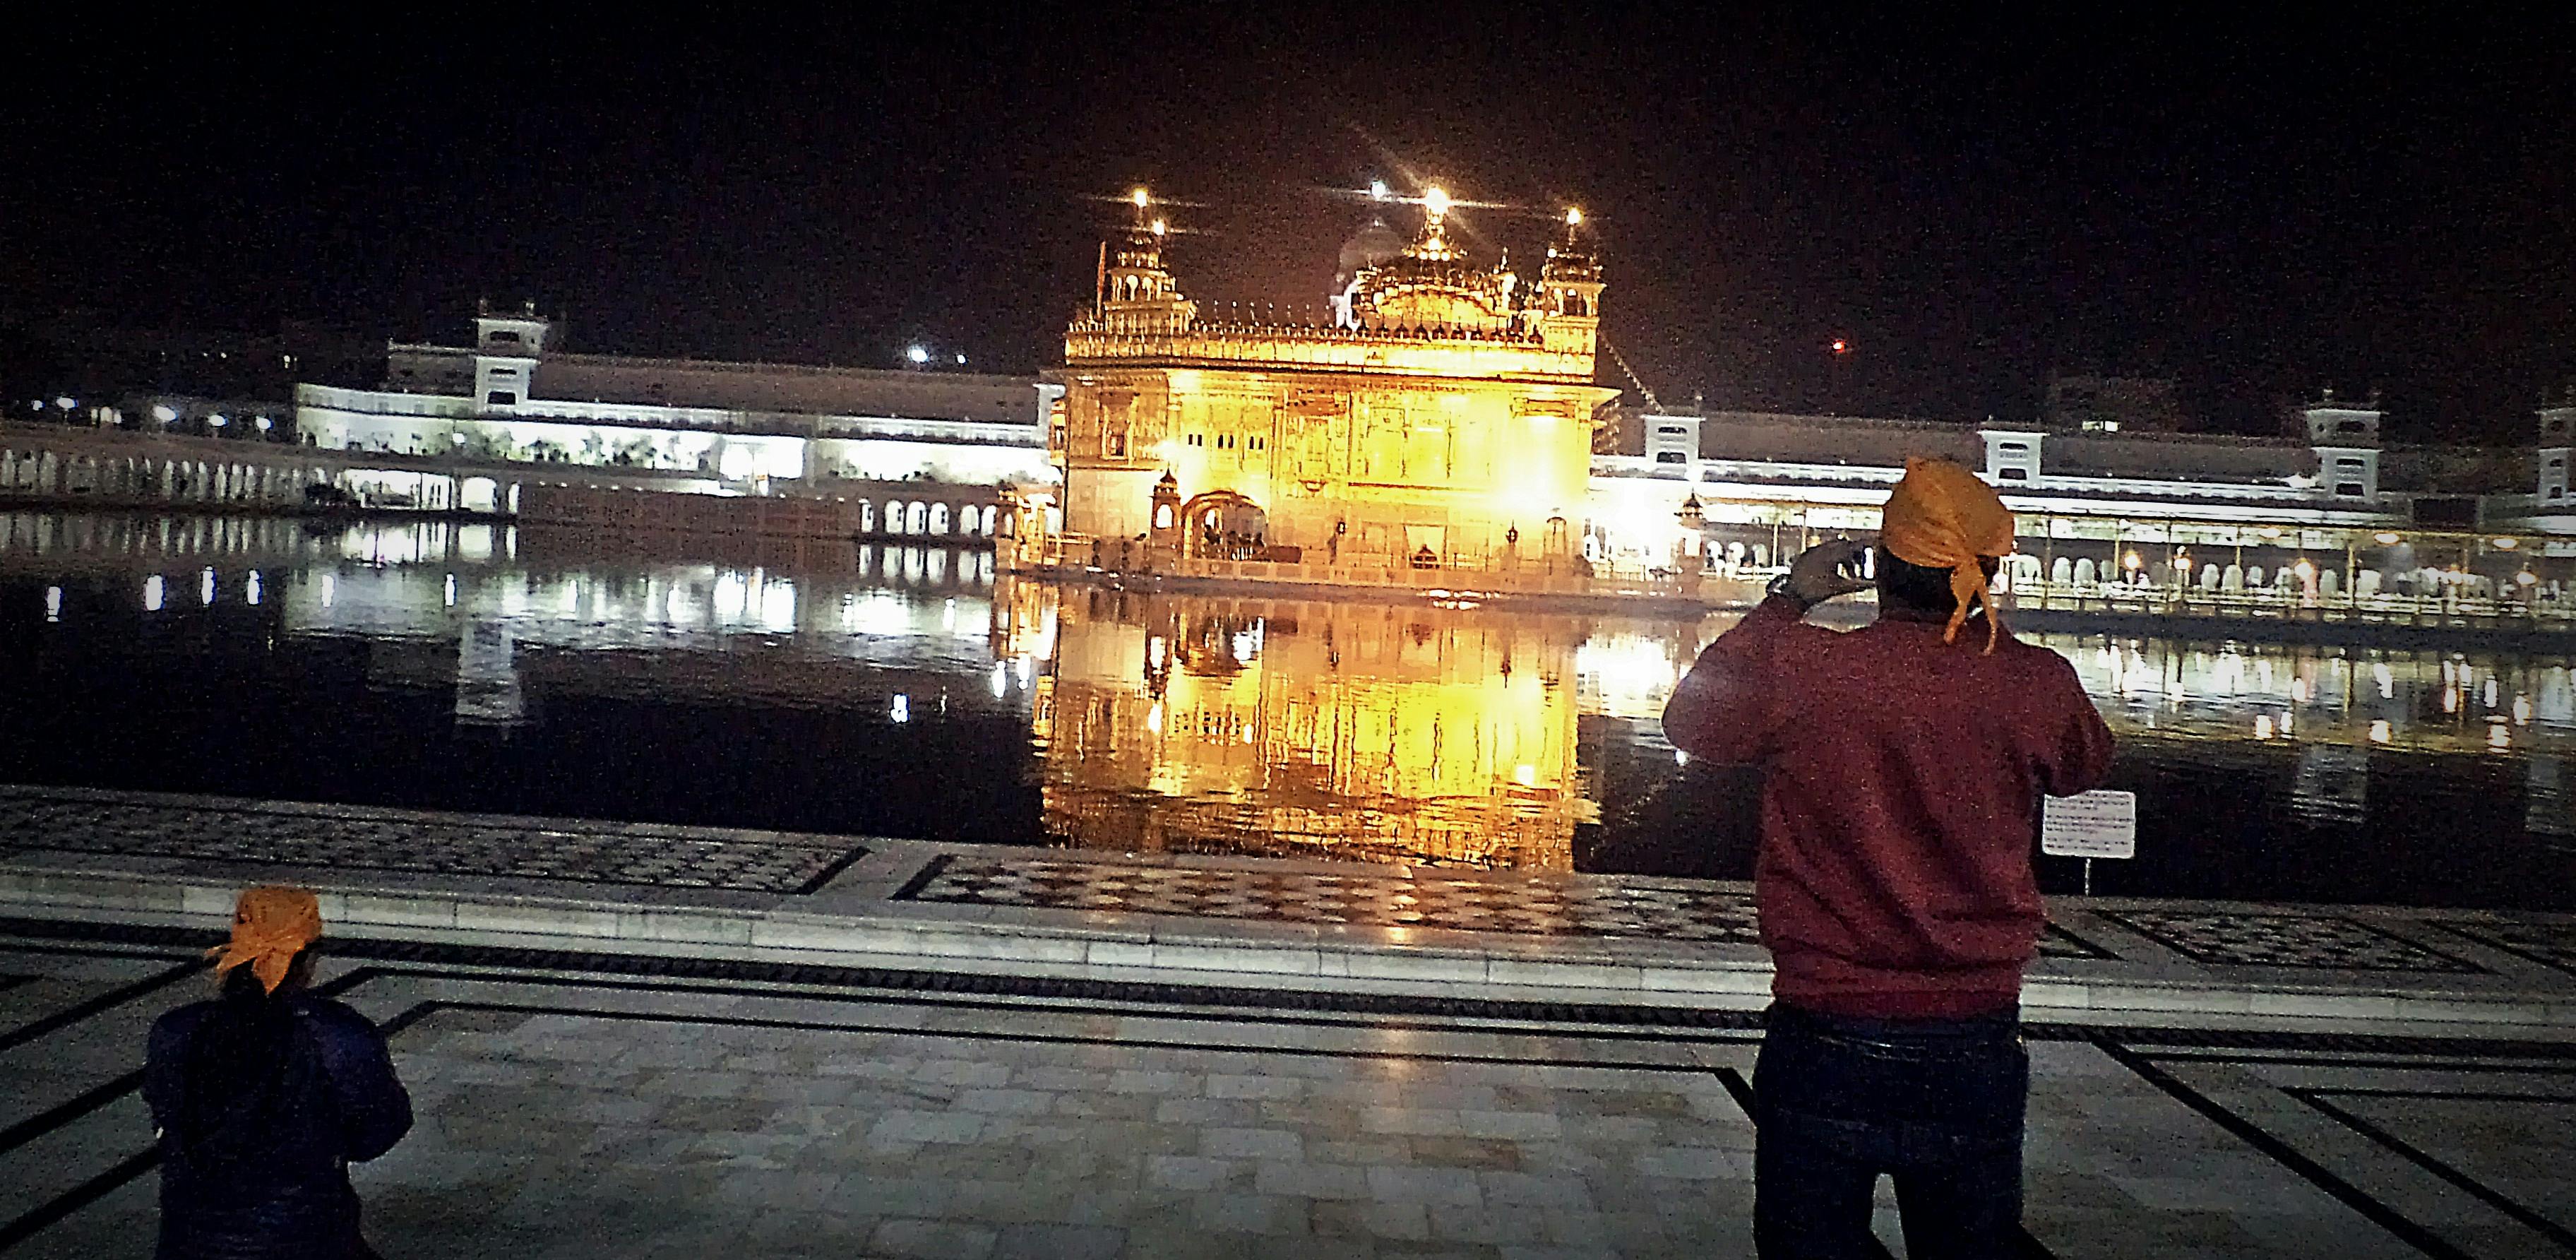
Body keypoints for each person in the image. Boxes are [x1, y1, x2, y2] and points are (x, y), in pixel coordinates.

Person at [1662, 458, 2113, 1259]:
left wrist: (1788, 600)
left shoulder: (1809, 669)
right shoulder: (2035, 682)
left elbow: (1692, 722)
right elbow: (2083, 764)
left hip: (1825, 1025)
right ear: (1989, 570)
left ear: (1879, 566)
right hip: (1974, 1035)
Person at [145, 887, 412, 1260]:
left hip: (191, 1241)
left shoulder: (176, 1031)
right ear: (309, 957)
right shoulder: (339, 1035)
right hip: (311, 1239)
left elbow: (166, 1116)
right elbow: (378, 1133)